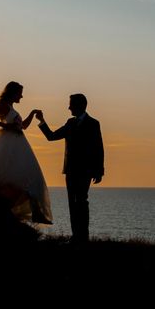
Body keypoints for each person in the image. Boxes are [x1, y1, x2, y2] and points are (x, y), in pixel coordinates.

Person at [0, 81, 53, 224]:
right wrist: (5, 125)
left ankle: (35, 212)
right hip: (9, 144)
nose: (22, 96)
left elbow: (23, 126)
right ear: (13, 93)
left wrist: (32, 113)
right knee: (12, 178)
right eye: (20, 93)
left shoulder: (11, 108)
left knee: (31, 176)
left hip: (19, 144)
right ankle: (21, 212)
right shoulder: (4, 106)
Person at [37, 93, 104, 244]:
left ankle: (83, 237)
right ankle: (76, 236)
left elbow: (98, 148)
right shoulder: (70, 123)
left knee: (81, 201)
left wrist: (99, 171)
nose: (68, 108)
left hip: (85, 170)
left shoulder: (93, 123)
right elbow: (52, 136)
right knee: (72, 203)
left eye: (71, 105)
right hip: (71, 170)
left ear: (80, 105)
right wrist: (41, 121)